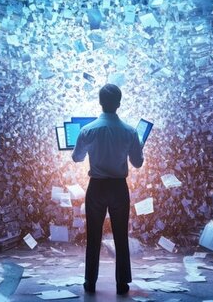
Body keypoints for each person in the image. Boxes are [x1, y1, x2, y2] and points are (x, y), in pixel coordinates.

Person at [72, 84, 144, 295]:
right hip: (119, 187)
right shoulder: (130, 132)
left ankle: (89, 282)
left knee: (93, 236)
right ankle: (122, 283)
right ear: (119, 104)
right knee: (121, 236)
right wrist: (140, 147)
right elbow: (137, 163)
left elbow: (77, 158)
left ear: (101, 102)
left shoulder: (88, 130)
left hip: (96, 186)